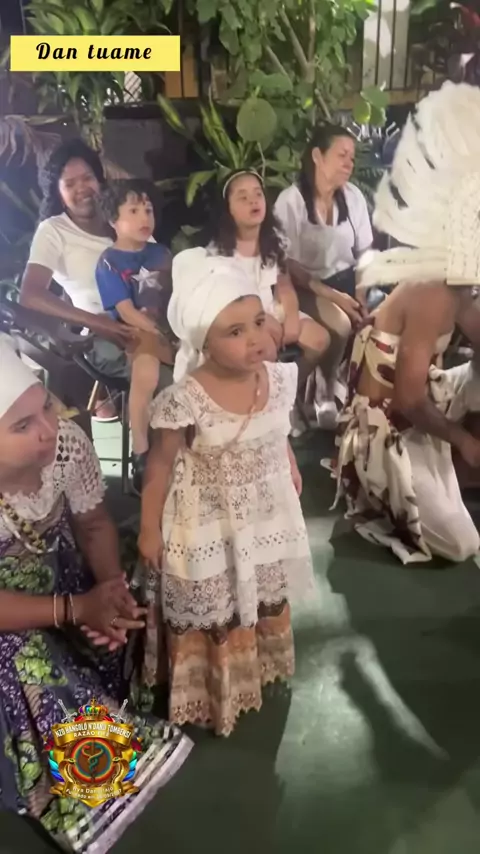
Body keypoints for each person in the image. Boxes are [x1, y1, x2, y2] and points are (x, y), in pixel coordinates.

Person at [0, 335, 191, 851]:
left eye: (45, 406)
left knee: (138, 600)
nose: (48, 431)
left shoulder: (64, 445)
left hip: (54, 569)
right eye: (22, 426)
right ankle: (94, 781)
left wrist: (108, 591)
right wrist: (75, 608)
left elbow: (94, 524)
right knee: (22, 663)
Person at [138, 256, 315, 736]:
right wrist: (149, 528)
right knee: (215, 597)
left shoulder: (277, 379)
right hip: (205, 520)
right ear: (204, 343)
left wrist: (288, 462)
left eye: (258, 322)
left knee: (258, 585)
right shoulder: (186, 398)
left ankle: (252, 664)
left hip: (262, 512)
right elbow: (160, 466)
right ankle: (211, 687)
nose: (255, 338)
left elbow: (275, 429)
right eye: (235, 332)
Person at [333, 80, 480, 565]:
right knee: (461, 545)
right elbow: (409, 399)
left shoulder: (461, 278)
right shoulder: (434, 288)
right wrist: (462, 439)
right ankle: (380, 495)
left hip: (419, 399)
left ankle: (454, 472)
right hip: (385, 429)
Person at [19, 140, 134, 421]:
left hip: (150, 324)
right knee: (169, 379)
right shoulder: (54, 231)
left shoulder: (124, 219)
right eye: (70, 184)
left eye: (87, 178)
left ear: (99, 181)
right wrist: (97, 323)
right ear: (58, 193)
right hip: (105, 340)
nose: (82, 188)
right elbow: (30, 294)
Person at [274, 124, 373, 426]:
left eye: (352, 158)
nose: (349, 164)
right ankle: (321, 391)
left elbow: (366, 252)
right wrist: (336, 297)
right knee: (341, 325)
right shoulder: (290, 201)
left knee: (376, 319)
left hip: (348, 281)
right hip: (306, 286)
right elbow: (286, 264)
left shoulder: (353, 197)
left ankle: (348, 390)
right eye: (342, 155)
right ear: (317, 156)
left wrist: (360, 294)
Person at [203, 169, 330, 393]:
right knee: (267, 351)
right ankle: (263, 400)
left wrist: (291, 316)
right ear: (228, 209)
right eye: (243, 197)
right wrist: (262, 321)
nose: (253, 201)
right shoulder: (219, 254)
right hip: (244, 319)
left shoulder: (274, 240)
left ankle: (288, 393)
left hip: (271, 308)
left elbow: (284, 285)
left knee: (320, 339)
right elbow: (227, 306)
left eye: (257, 194)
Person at [96, 179, 174, 492]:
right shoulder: (108, 262)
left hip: (169, 326)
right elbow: (126, 311)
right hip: (135, 331)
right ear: (113, 220)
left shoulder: (162, 253)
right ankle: (141, 450)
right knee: (146, 371)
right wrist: (159, 332)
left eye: (148, 210)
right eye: (134, 210)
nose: (144, 217)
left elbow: (177, 294)